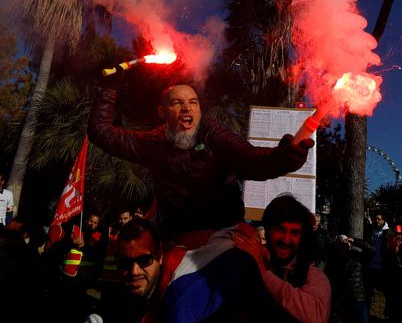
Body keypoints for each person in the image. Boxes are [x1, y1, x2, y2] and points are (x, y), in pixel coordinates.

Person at [88, 80, 313, 247]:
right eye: (177, 103)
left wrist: (288, 156)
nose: (187, 108)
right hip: (176, 241)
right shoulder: (154, 144)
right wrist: (109, 89)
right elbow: (101, 132)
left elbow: (254, 160)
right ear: (162, 112)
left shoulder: (213, 134)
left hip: (223, 238)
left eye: (193, 102)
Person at [240, 194, 332, 323]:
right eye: (280, 230)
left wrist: (264, 274)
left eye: (294, 233)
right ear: (266, 231)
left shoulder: (313, 276)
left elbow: (315, 318)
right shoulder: (251, 265)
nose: (286, 240)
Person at [83, 218, 166, 323]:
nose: (134, 271)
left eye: (144, 260)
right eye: (125, 262)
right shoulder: (101, 319)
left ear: (160, 256)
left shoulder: (179, 305)